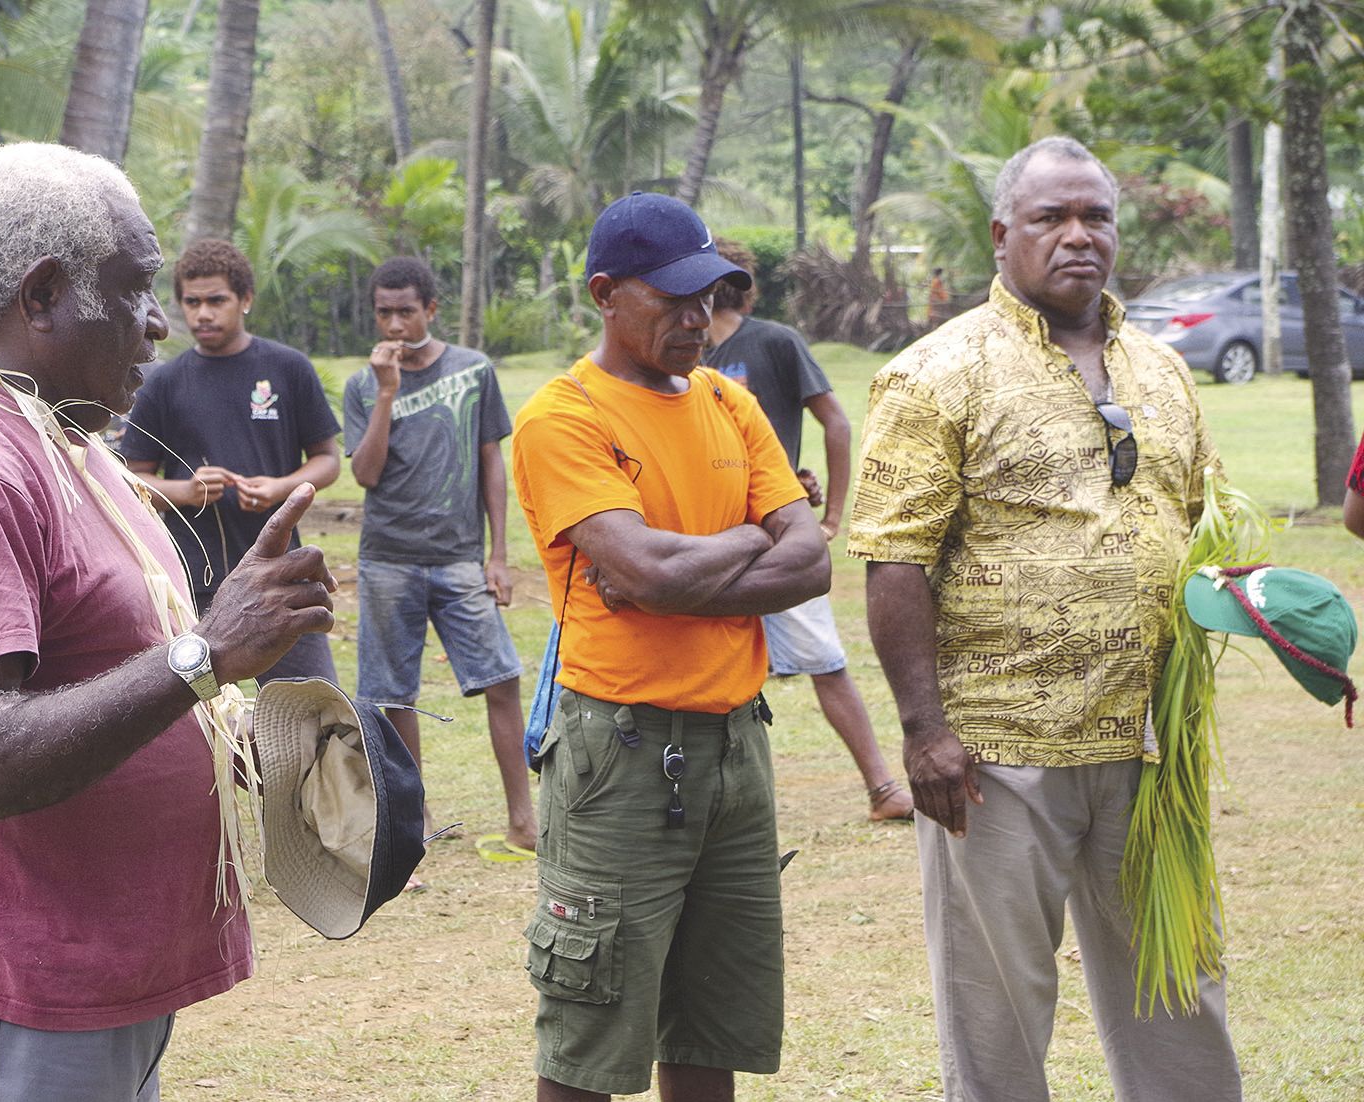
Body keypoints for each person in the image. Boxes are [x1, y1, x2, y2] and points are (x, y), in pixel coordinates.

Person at [0, 142, 336, 1099]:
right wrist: (206, 656)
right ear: (42, 297)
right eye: (136, 289)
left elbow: (92, 658)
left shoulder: (49, 425)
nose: (157, 324)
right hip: (12, 991)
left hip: (74, 979)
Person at [848, 136, 1242, 1100]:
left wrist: (1262, 599)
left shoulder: (1161, 368)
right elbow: (894, 557)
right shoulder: (937, 372)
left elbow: (1203, 526)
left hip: (1149, 749)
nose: (1077, 236)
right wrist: (924, 732)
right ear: (1001, 235)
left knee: (1180, 991)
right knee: (996, 1013)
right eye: (1050, 218)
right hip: (994, 756)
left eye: (1095, 217)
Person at [512, 192, 829, 1101]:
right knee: (590, 1035)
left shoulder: (729, 400)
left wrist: (688, 566)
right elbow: (645, 571)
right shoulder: (562, 418)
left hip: (738, 745)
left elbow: (809, 565)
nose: (700, 319)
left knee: (709, 1026)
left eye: (712, 297)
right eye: (676, 299)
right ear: (606, 294)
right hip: (621, 754)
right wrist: (749, 535)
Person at [704, 237, 912, 822]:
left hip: (770, 536)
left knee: (820, 661)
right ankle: (725, 800)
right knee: (739, 668)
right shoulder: (687, 357)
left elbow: (836, 423)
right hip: (722, 539)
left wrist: (827, 516)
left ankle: (881, 789)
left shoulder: (770, 342)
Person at [342, 256, 535, 860]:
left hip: (458, 559)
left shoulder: (473, 370)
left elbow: (491, 462)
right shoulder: (360, 384)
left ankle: (523, 820)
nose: (395, 324)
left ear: (431, 309)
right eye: (384, 312)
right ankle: (419, 816)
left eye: (406, 311)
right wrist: (386, 394)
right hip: (388, 560)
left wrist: (498, 554)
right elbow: (365, 473)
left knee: (500, 679)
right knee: (394, 695)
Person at [120, 238, 341, 681]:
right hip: (190, 581)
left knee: (311, 705)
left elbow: (327, 459)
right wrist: (185, 491)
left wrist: (281, 489)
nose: (203, 314)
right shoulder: (163, 383)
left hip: (282, 574)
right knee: (197, 715)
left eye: (216, 300)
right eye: (192, 302)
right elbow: (131, 478)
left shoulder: (287, 368)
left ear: (245, 300)